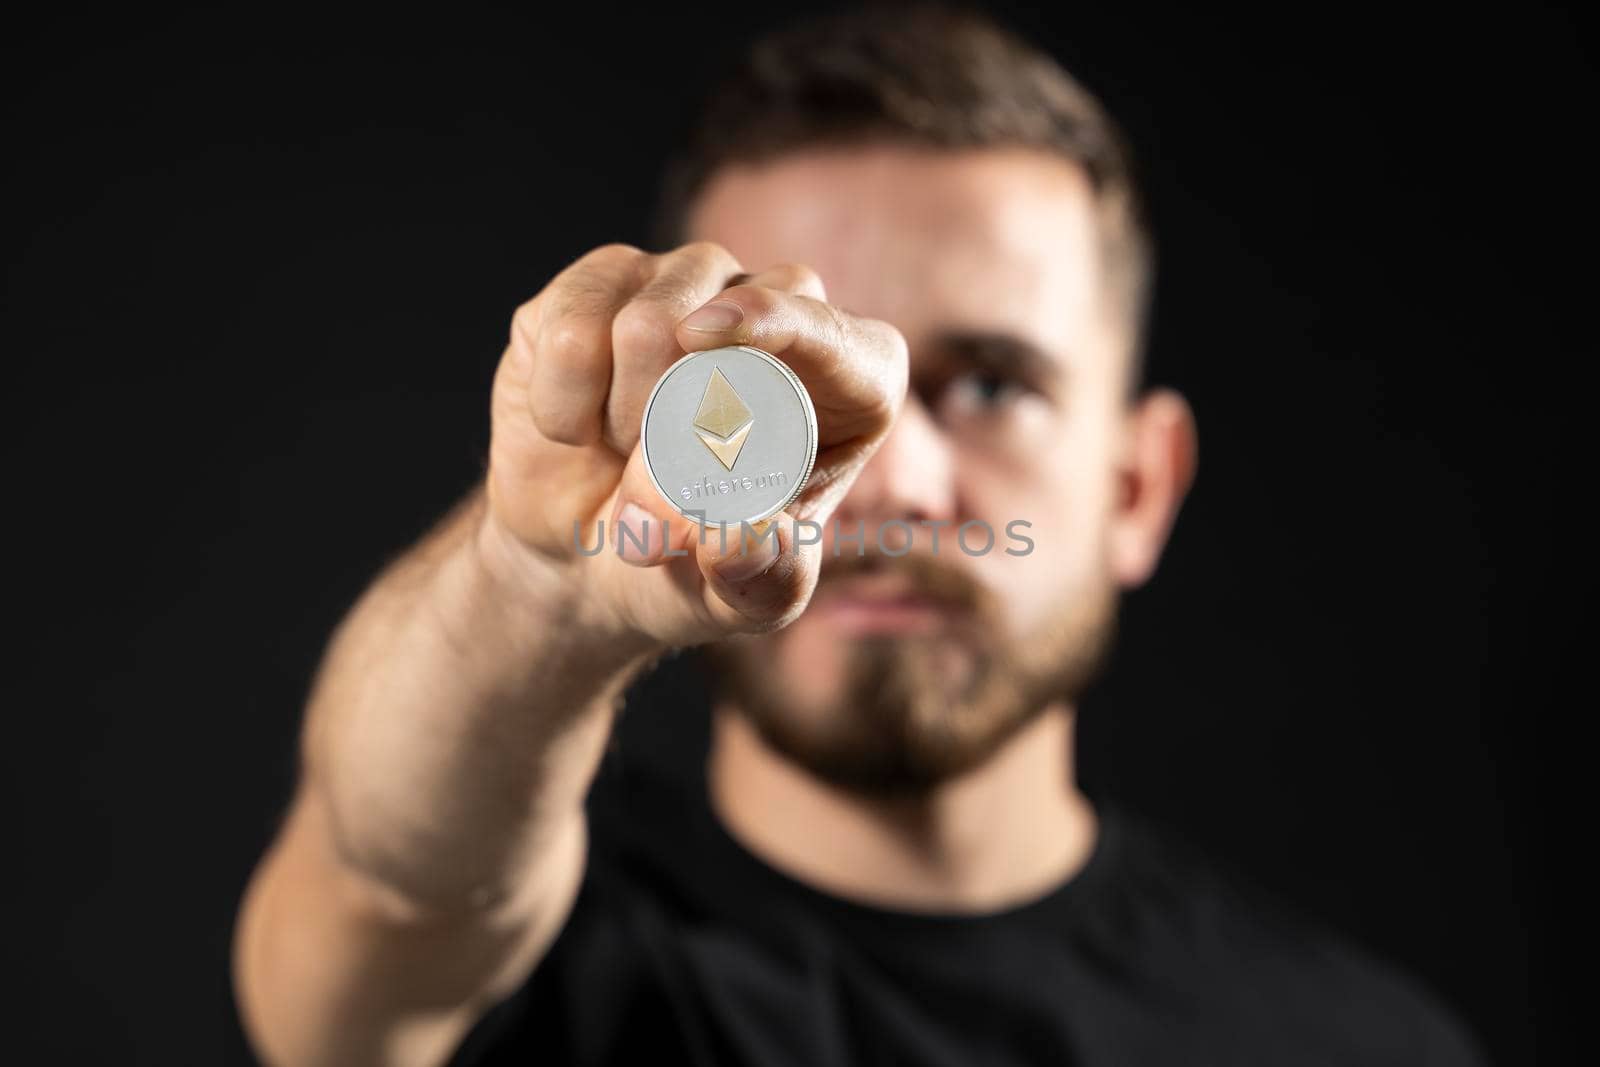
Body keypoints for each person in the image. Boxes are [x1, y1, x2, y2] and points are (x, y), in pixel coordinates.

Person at [231, 5, 1488, 1065]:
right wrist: (536, 582)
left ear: (1136, 489)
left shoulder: (1358, 1042)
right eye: (787, 376)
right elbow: (383, 880)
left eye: (991, 383)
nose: (882, 479)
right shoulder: (534, 976)